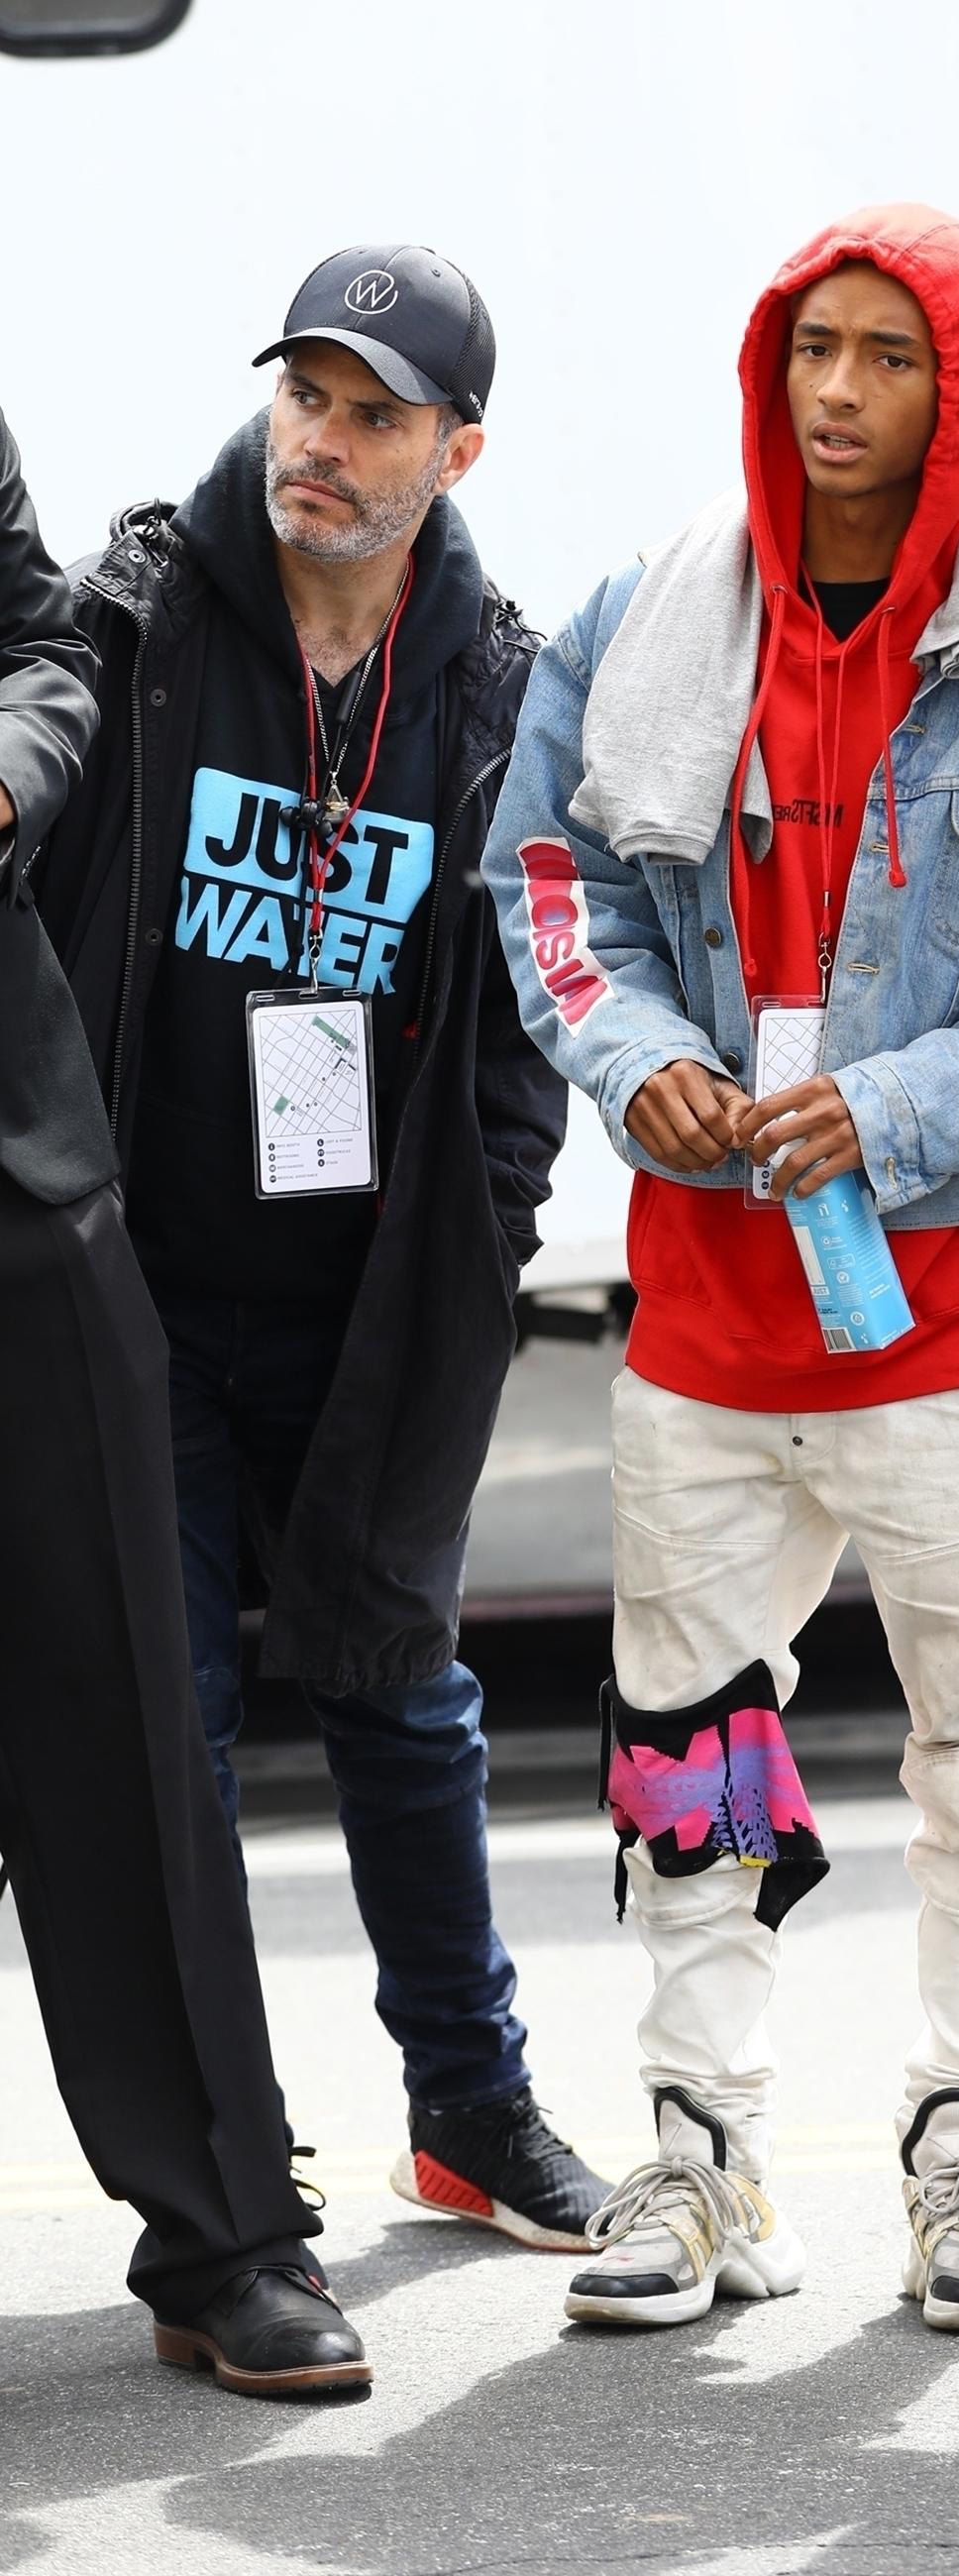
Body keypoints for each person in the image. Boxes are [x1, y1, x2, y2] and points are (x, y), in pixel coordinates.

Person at [482, 204, 959, 2332]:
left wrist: (893, 1107)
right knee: (697, 1745)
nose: (838, 392)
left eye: (888, 358)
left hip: (949, 1319)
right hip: (708, 1313)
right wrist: (642, 1058)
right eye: (810, 350)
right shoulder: (644, 613)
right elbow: (549, 885)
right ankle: (700, 2158)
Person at [34, 247, 606, 2251]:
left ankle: (471, 2106)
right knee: (163, 1739)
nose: (324, 444)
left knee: (401, 1691)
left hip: (371, 1304)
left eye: (373, 414)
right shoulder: (141, 625)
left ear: (457, 448)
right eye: (305, 397)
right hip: (144, 1304)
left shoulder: (496, 689)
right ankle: (224, 2158)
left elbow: (537, 1001)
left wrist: (489, 1232)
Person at [0, 410, 369, 2394]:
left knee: (130, 1706)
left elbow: (42, 639)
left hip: (18, 1173)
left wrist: (10, 760)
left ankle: (223, 2231)